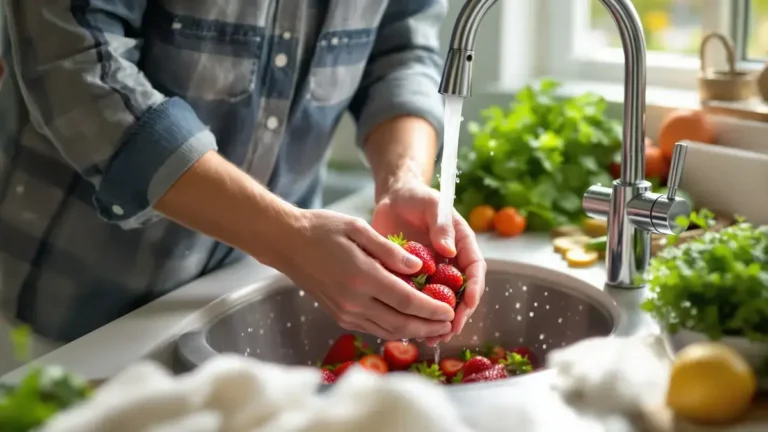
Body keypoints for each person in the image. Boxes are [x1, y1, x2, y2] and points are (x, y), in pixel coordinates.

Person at [0, 0, 486, 349]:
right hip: (58, 316)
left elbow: (400, 54)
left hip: (254, 292)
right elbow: (76, 67)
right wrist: (289, 237)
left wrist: (404, 181)